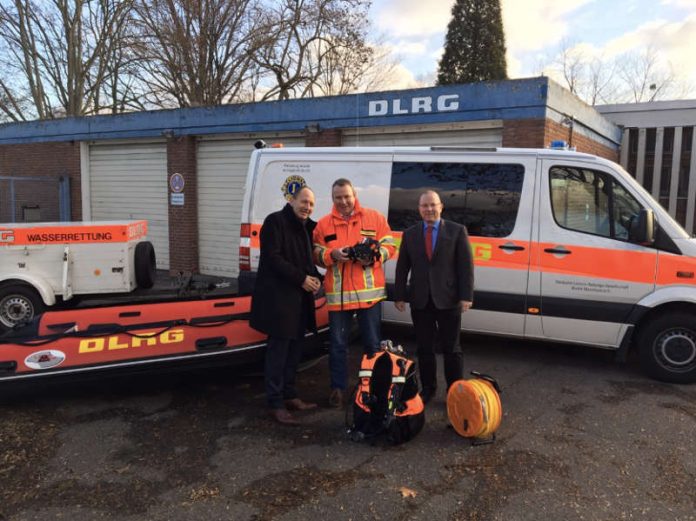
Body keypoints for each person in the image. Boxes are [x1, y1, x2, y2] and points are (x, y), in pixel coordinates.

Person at [313, 178, 397, 408]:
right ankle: (338, 390)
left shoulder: (374, 217)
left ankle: (373, 389)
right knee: (338, 346)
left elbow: (391, 245)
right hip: (339, 299)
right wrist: (333, 255)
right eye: (338, 197)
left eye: (347, 196)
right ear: (332, 199)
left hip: (369, 297)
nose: (343, 201)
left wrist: (374, 256)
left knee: (372, 345)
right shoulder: (323, 224)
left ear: (354, 195)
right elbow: (316, 253)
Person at [250, 186, 322, 425]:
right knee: (278, 353)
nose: (307, 207)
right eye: (304, 202)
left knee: (295, 351)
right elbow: (273, 258)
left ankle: (290, 395)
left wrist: (316, 278)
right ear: (292, 200)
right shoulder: (275, 222)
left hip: (299, 301)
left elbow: (307, 262)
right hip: (279, 300)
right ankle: (275, 403)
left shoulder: (306, 228)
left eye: (311, 204)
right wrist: (302, 279)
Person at [394, 190, 474, 405]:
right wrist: (399, 295)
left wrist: (466, 296)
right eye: (424, 206)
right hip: (421, 300)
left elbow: (465, 267)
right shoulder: (410, 234)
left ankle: (455, 391)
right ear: (419, 209)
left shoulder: (457, 231)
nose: (429, 209)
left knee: (452, 349)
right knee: (424, 348)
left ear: (441, 206)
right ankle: (428, 388)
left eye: (432, 205)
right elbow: (403, 267)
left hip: (449, 300)